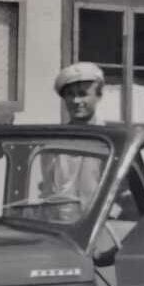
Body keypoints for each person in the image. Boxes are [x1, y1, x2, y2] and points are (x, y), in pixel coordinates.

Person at [39, 62, 106, 206]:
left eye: (83, 94)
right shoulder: (54, 145)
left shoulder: (110, 141)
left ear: (98, 96)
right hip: (61, 222)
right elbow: (49, 190)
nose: (76, 101)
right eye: (70, 95)